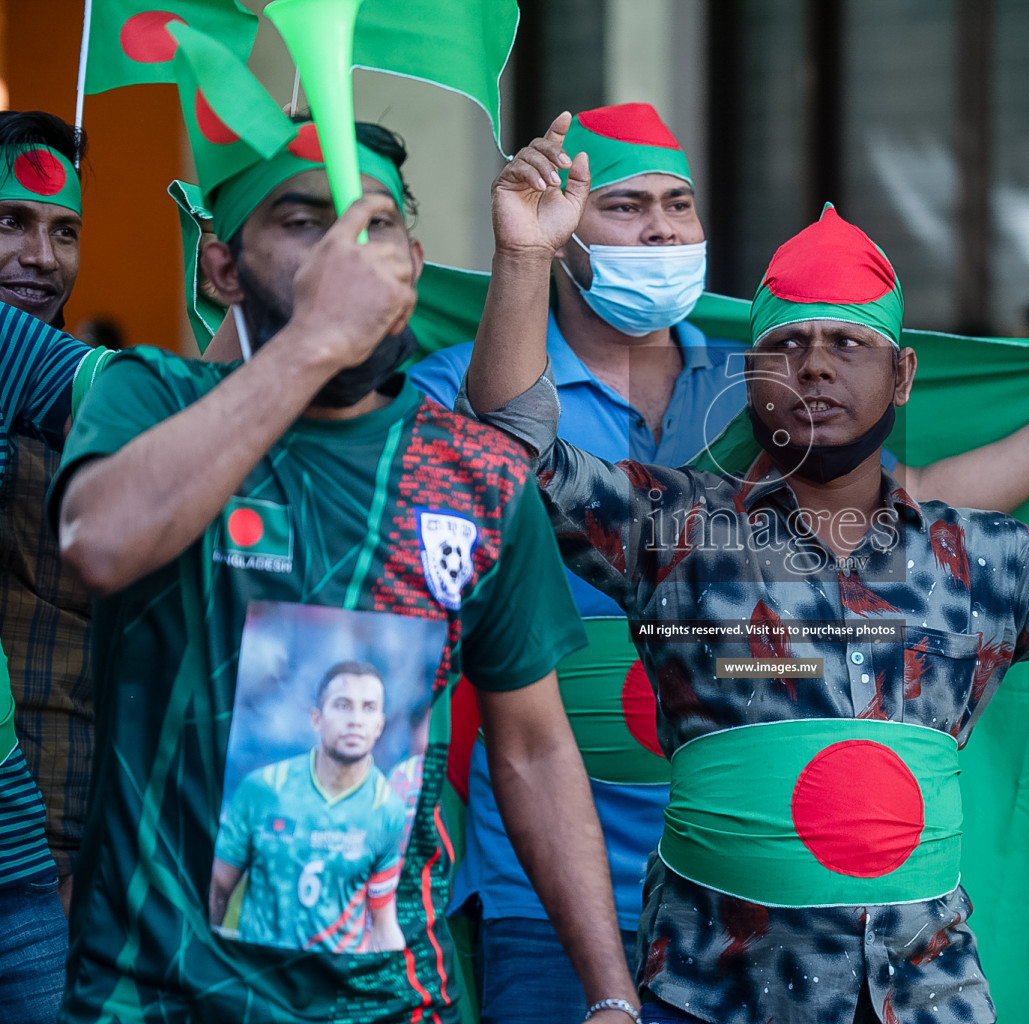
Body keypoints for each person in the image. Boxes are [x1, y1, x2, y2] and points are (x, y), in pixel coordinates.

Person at [454, 115, 1029, 1023]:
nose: (815, 368)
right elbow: (512, 447)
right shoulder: (674, 531)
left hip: (924, 999)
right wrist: (521, 259)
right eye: (786, 346)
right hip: (705, 1000)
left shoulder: (983, 560)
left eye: (848, 345)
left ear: (902, 376)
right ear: (749, 377)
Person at [48, 119, 640, 1024]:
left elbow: (534, 748)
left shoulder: (476, 474)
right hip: (154, 998)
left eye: (374, 225)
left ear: (413, 259)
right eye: (302, 221)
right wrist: (312, 340)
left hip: (390, 1001)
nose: (345, 254)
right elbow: (100, 543)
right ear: (222, 268)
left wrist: (609, 997)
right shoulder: (151, 398)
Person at [0, 112, 97, 1024]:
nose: (41, 256)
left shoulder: (97, 399)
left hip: (50, 864)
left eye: (63, 230)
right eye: (10, 223)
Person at [209, 661, 410, 953]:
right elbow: (218, 888)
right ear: (316, 718)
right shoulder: (263, 788)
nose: (355, 719)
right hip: (263, 977)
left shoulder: (387, 808)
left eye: (368, 708)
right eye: (342, 705)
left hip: (335, 985)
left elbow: (383, 922)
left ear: (379, 725)